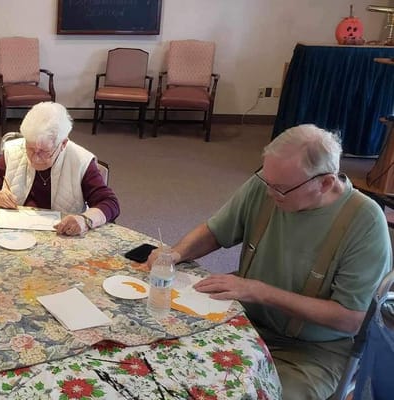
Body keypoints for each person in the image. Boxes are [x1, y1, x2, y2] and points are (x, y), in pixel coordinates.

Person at [147, 124, 391, 399]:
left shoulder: (364, 222)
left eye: (281, 189)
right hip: (242, 320)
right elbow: (216, 231)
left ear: (325, 183)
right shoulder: (268, 184)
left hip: (310, 352)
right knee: (166, 365)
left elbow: (351, 319)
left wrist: (260, 291)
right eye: (267, 180)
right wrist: (176, 253)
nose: (269, 193)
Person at [0, 102, 120, 236]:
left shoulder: (81, 161)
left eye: (44, 152)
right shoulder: (13, 151)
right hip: (17, 235)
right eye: (30, 148)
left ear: (63, 144)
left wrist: (85, 220)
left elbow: (110, 203)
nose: (35, 158)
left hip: (62, 237)